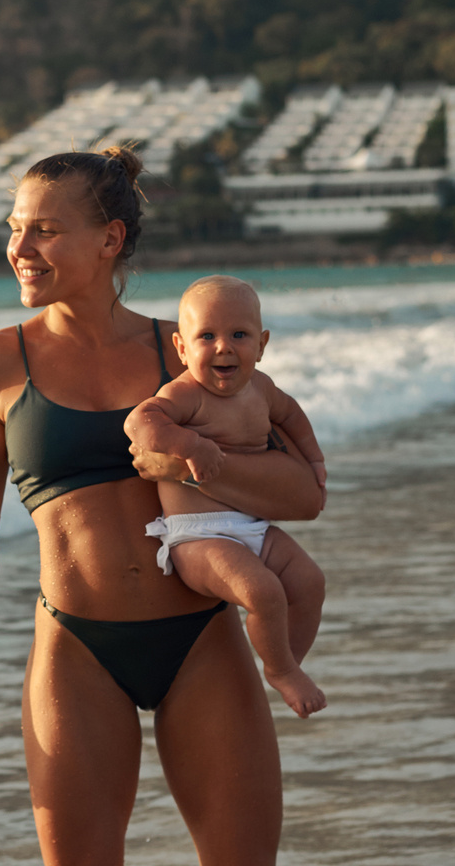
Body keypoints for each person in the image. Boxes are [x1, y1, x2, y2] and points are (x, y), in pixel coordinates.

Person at [0, 145, 323, 866]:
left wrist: (205, 463)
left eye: (45, 229)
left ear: (110, 239)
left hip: (199, 639)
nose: (22, 246)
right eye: (15, 229)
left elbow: (303, 490)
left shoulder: (190, 348)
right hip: (76, 652)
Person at [124, 274, 330, 720]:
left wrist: (314, 461)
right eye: (207, 336)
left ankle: (283, 663)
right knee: (263, 590)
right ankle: (282, 670)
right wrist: (188, 446)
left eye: (240, 334)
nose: (224, 347)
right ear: (181, 347)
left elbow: (293, 416)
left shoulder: (263, 390)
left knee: (310, 583)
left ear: (263, 343)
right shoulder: (185, 394)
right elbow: (139, 423)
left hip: (253, 526)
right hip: (197, 537)